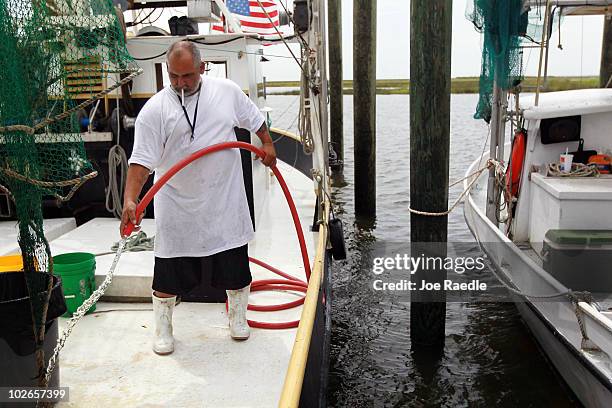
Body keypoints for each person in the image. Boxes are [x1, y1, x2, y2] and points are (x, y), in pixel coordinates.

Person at [120, 40, 276, 355]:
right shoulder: (155, 110)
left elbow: (254, 118)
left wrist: (268, 145)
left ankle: (237, 318)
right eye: (173, 76)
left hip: (224, 200)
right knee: (167, 272)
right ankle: (163, 327)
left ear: (202, 68)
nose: (180, 83)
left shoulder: (227, 91)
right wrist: (130, 200)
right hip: (178, 205)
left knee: (235, 267)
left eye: (187, 76)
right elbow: (140, 162)